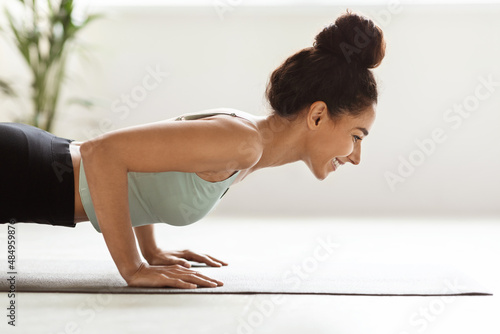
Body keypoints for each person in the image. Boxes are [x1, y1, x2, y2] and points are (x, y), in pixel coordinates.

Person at [0, 9, 385, 289]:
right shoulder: (243, 142)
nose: (355, 155)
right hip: (18, 170)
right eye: (356, 135)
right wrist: (133, 267)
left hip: (28, 173)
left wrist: (151, 251)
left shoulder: (248, 142)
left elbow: (141, 166)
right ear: (317, 116)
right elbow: (104, 154)